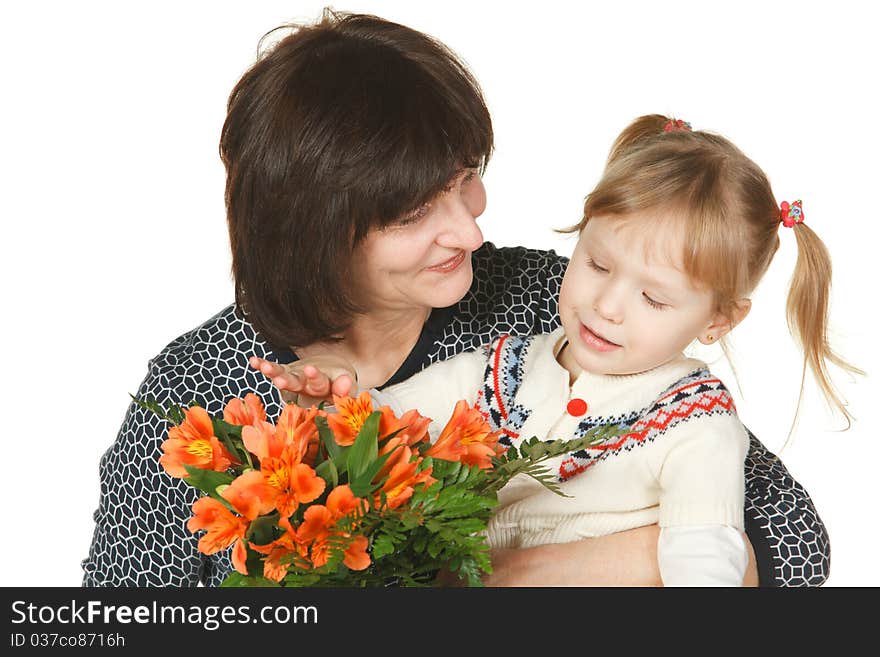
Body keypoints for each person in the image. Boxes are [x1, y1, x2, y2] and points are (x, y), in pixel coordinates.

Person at [82, 9, 824, 587]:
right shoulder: (195, 393)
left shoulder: (555, 306)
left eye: (464, 177)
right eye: (414, 214)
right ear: (316, 235)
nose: (470, 229)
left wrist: (494, 581)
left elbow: (789, 540)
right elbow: (110, 625)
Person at [259, 114, 860, 586]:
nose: (608, 306)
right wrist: (334, 392)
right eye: (596, 264)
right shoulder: (507, 365)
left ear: (719, 321)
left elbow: (705, 553)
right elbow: (388, 416)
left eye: (654, 299)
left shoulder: (695, 423)